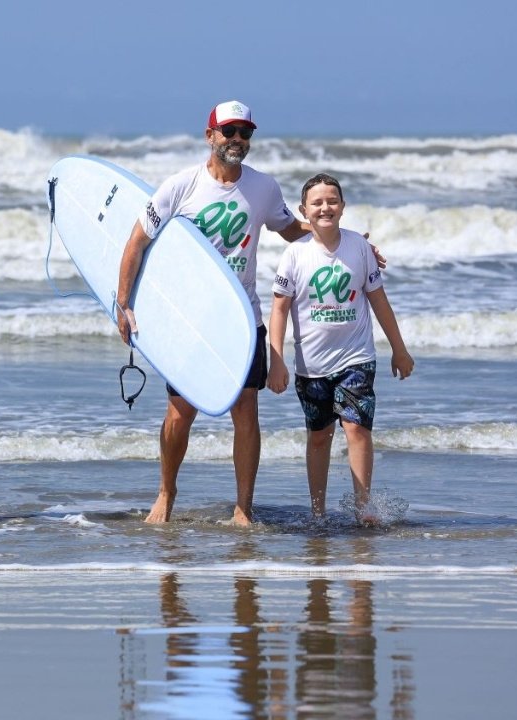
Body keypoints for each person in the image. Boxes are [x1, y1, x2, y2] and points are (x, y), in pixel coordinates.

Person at [116, 100, 380, 526]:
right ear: (210, 136)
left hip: (242, 320)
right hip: (191, 321)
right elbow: (136, 242)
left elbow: (292, 230)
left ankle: (244, 508)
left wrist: (348, 241)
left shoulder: (263, 188)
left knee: (246, 411)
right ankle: (166, 493)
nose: (238, 139)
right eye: (229, 131)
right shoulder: (179, 187)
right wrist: (124, 303)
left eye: (245, 132)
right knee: (180, 413)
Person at [267, 173, 414, 522]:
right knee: (319, 437)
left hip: (357, 358)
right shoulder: (294, 254)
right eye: (317, 202)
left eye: (332, 201)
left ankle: (363, 508)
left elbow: (378, 301)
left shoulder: (359, 249)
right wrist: (277, 359)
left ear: (343, 207)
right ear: (305, 210)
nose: (325, 207)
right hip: (311, 365)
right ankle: (318, 512)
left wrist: (399, 348)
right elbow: (279, 308)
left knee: (357, 429)